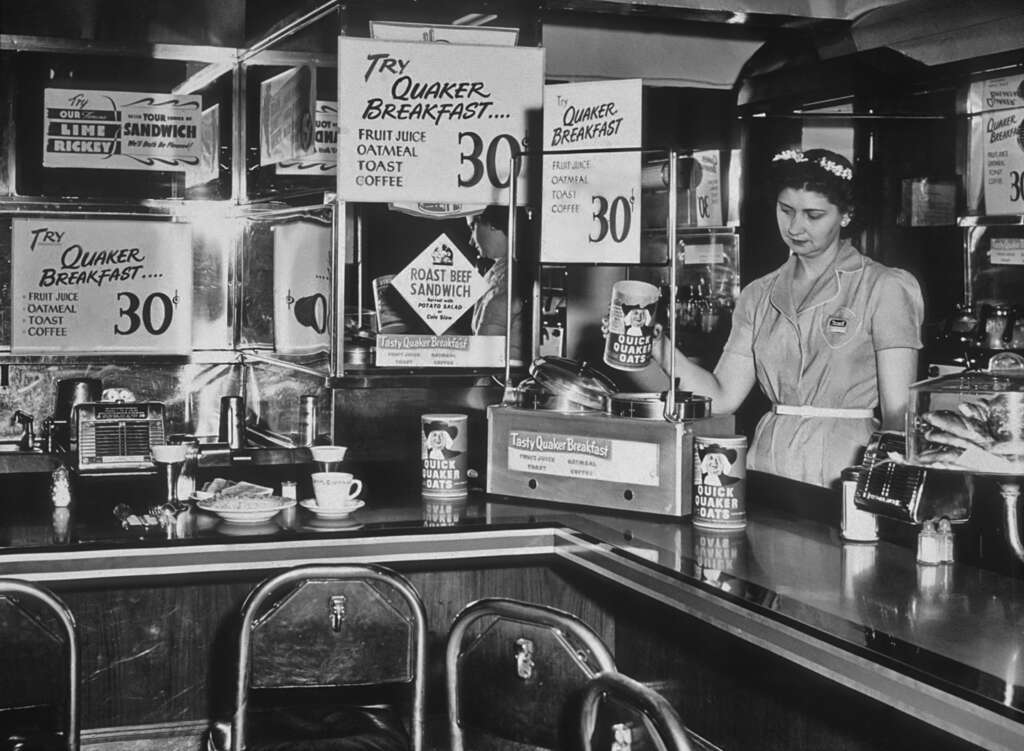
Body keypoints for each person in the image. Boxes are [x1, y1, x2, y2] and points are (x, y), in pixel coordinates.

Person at [651, 148, 924, 488]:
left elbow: (899, 416)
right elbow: (721, 398)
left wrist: (882, 482)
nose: (795, 227)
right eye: (786, 210)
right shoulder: (758, 295)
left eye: (813, 215)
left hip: (846, 465)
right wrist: (657, 346)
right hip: (769, 459)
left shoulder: (884, 287)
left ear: (846, 215)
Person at [468, 204, 525, 365]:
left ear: (492, 224)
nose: (471, 240)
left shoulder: (506, 278)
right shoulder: (502, 272)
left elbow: (487, 360)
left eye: (473, 227)